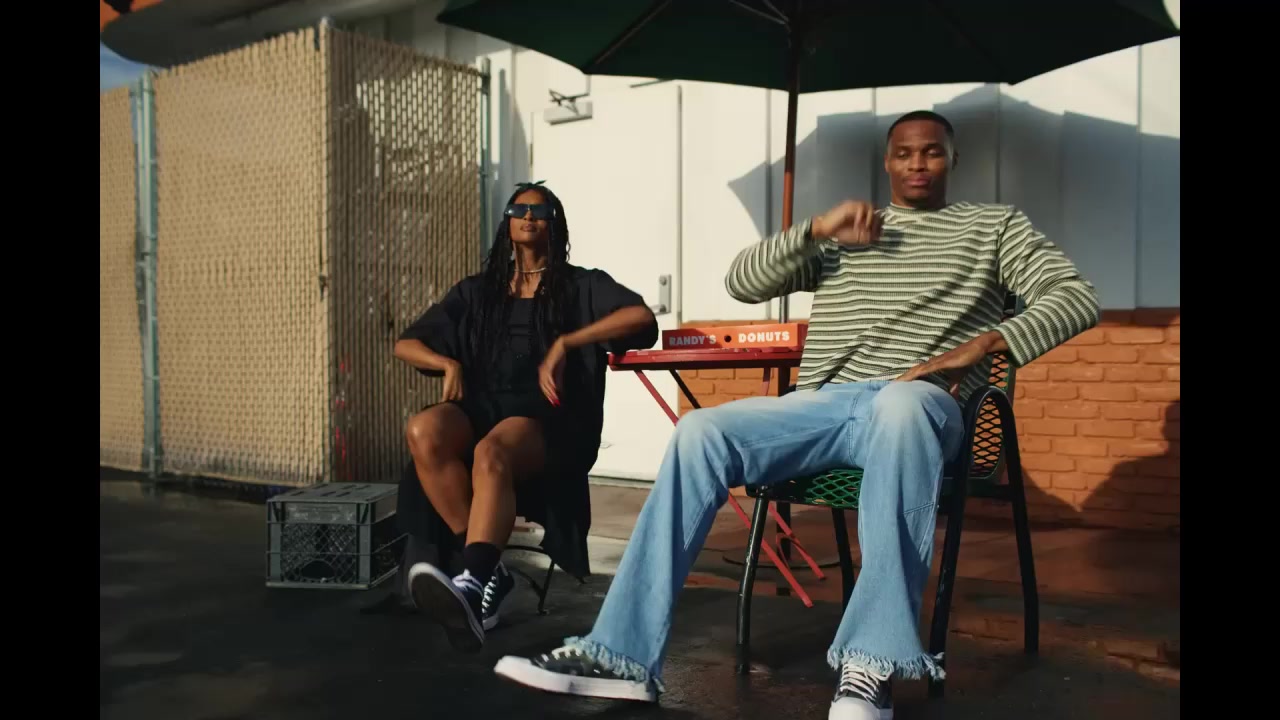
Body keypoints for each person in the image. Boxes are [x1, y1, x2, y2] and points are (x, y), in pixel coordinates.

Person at [493, 111, 1101, 719]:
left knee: (900, 406)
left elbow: (1076, 296)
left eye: (932, 152)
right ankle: (621, 656)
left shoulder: (994, 227)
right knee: (700, 432)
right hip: (824, 405)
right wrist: (815, 229)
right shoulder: (849, 234)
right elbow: (741, 281)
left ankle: (870, 664)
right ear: (887, 162)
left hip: (919, 401)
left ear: (952, 159)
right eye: (904, 153)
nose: (917, 163)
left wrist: (984, 345)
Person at [392, 181, 658, 653]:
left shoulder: (581, 286)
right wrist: (446, 364)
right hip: (485, 407)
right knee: (424, 430)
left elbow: (641, 319)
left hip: (550, 417)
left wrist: (567, 342)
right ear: (508, 224)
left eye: (540, 210)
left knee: (492, 450)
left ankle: (472, 585)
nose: (529, 216)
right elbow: (406, 344)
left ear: (555, 224)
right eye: (519, 210)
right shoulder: (478, 292)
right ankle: (487, 570)